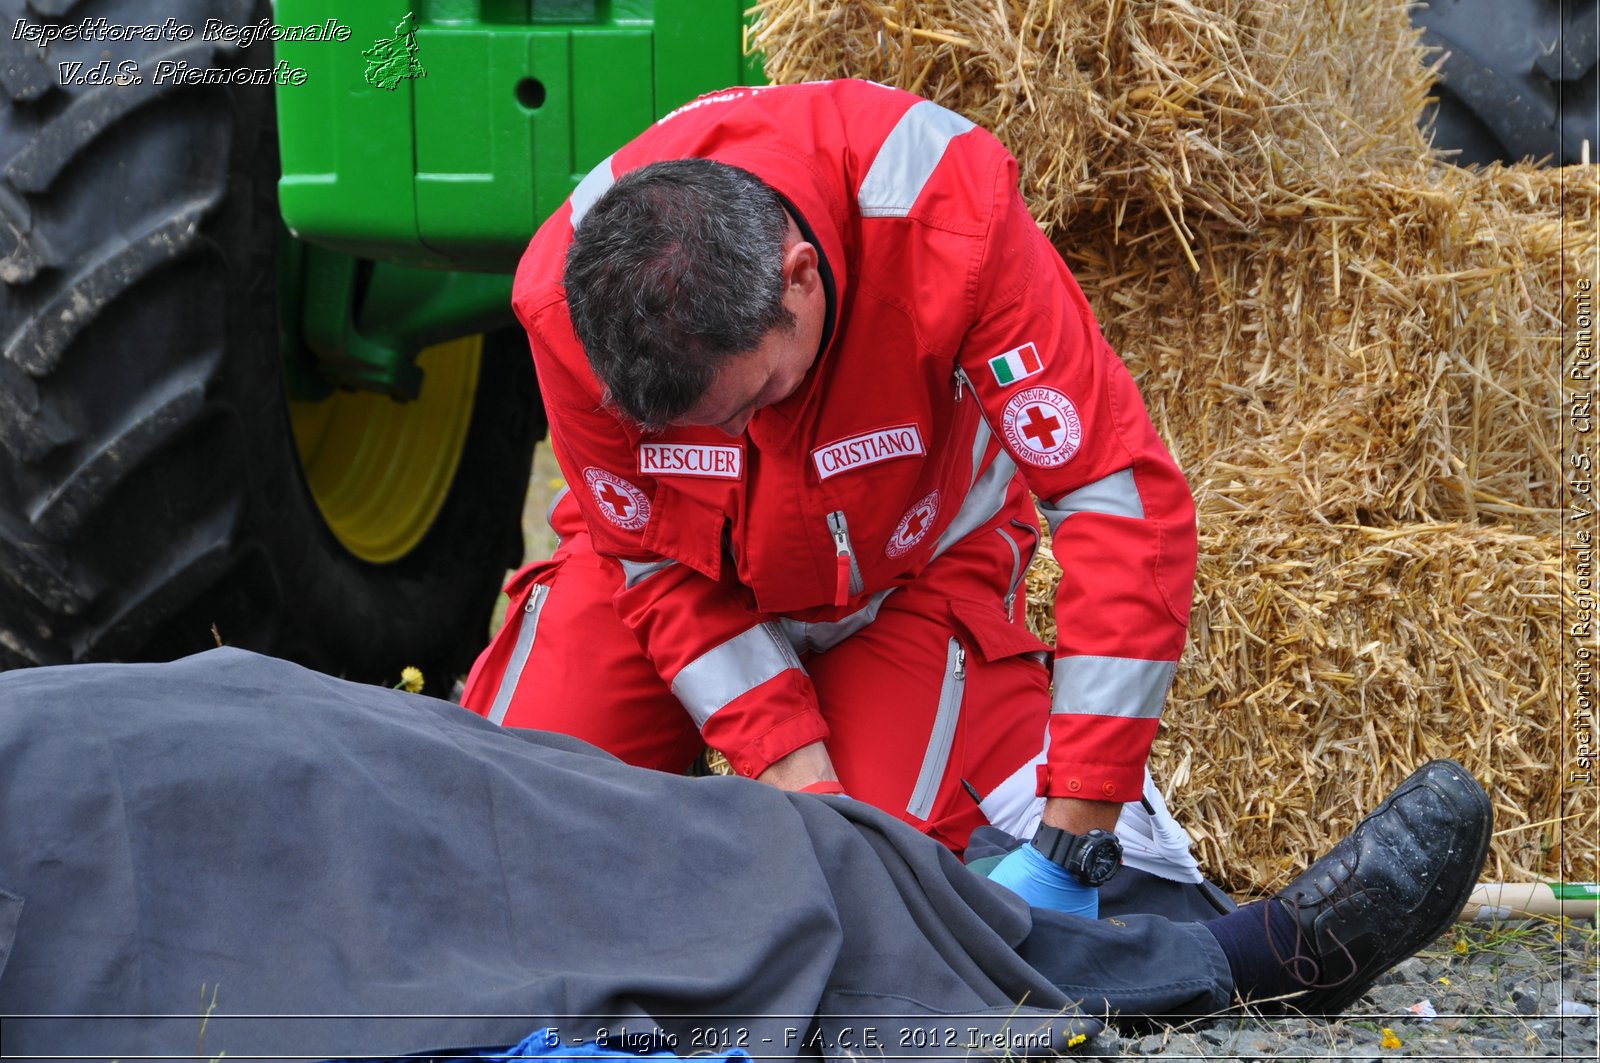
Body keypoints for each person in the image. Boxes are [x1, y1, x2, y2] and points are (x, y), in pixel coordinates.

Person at [462, 79, 1204, 919]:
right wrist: (794, 772)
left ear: (799, 279)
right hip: (678, 564)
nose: (740, 435)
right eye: (700, 428)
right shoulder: (559, 301)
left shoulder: (950, 213)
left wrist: (1076, 835)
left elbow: (1116, 502)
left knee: (889, 896)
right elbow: (647, 558)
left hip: (909, 572)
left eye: (755, 400)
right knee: (512, 843)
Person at [0, 650, 1493, 1061]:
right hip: (92, 855)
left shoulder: (932, 226)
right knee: (695, 887)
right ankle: (1231, 967)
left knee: (477, 768)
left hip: (109, 736)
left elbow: (1111, 487)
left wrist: (1089, 798)